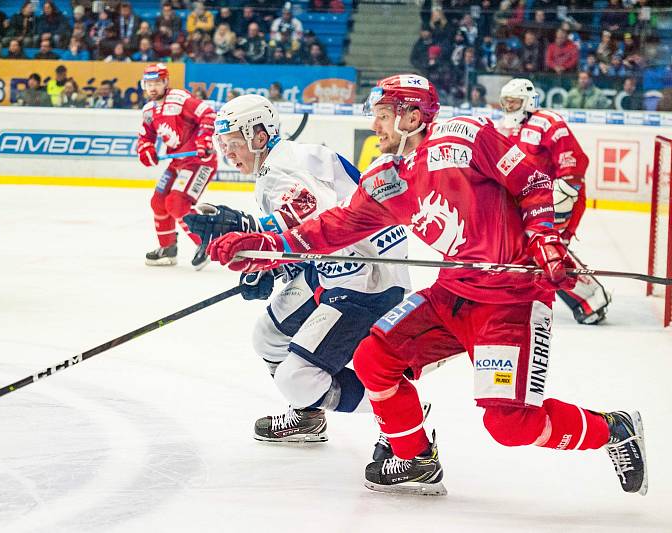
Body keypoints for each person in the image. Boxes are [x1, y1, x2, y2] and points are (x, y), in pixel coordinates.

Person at [206, 73, 647, 497]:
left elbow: (532, 181)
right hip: (453, 291)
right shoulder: (388, 176)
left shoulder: (465, 134)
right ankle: (414, 457)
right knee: (375, 356)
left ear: (411, 115)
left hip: (511, 301)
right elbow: (335, 227)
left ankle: (616, 429)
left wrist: (545, 240)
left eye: (381, 115)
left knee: (509, 426)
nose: (373, 125)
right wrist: (264, 242)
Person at [182, 95, 411, 452]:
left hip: (365, 278)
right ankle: (308, 414)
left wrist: (256, 234)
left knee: (297, 377)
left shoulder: (280, 171)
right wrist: (273, 267)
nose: (228, 153)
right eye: (223, 145)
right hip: (338, 266)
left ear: (259, 137)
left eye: (233, 144)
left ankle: (399, 412)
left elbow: (324, 224)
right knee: (268, 336)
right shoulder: (289, 159)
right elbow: (314, 237)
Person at [499, 78, 610, 324]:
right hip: (530, 203)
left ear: (527, 102)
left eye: (514, 102)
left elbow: (574, 161)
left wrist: (561, 202)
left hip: (559, 200)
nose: (509, 107)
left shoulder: (548, 122)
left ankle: (592, 296)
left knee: (546, 252)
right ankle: (588, 298)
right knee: (535, 253)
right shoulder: (507, 129)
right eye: (505, 102)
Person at [136, 63, 217, 269]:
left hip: (200, 162)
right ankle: (168, 248)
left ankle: (206, 244)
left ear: (165, 82)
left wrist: (204, 140)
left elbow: (208, 114)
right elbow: (145, 136)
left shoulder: (180, 99)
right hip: (178, 162)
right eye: (149, 84)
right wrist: (146, 150)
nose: (152, 88)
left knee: (177, 203)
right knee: (159, 201)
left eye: (157, 83)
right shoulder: (148, 110)